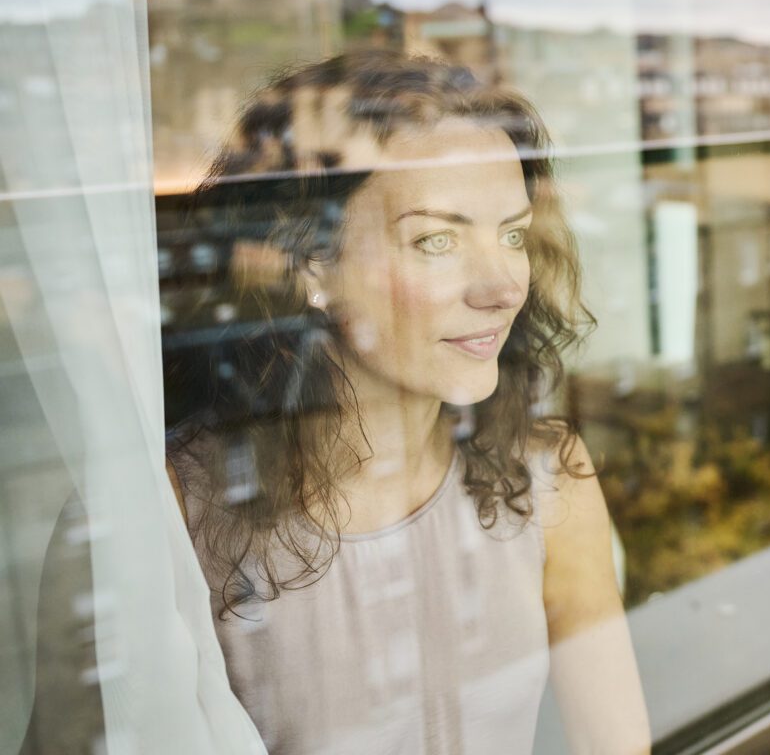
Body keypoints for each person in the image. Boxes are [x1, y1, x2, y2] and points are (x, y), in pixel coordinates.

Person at [160, 51, 650, 754]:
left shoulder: (547, 476)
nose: (502, 285)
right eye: (437, 240)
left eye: (512, 234)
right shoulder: (173, 510)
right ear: (309, 266)